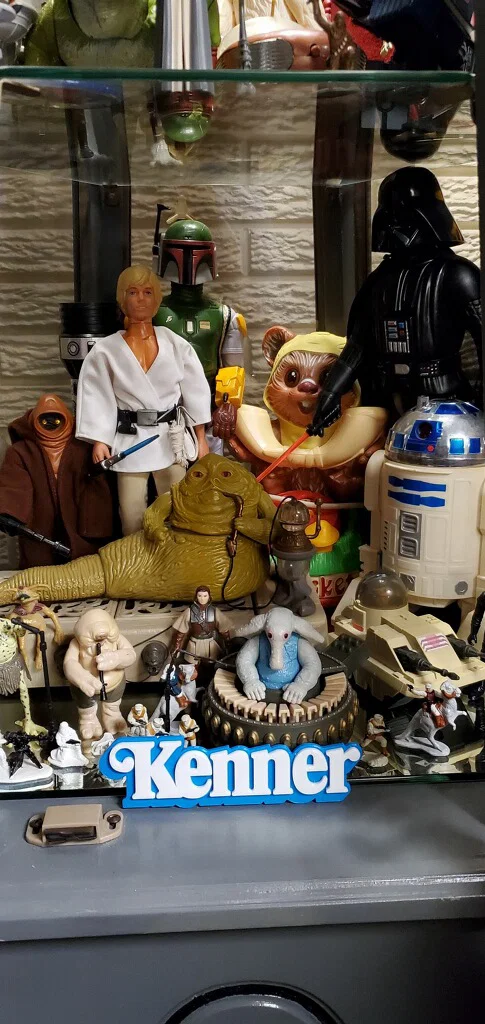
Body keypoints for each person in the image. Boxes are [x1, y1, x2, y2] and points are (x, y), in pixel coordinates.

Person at [75, 265, 212, 535]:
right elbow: (97, 394)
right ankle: (135, 557)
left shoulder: (175, 344)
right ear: (122, 299)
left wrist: (201, 436)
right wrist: (100, 439)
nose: (140, 299)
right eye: (133, 292)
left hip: (170, 437)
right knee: (131, 512)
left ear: (157, 299)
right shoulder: (106, 350)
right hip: (130, 437)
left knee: (177, 507)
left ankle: (175, 555)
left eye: (148, 292)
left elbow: (195, 389)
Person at [0, 393, 114, 567]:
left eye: (56, 418)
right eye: (45, 419)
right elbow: (14, 484)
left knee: (87, 565)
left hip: (81, 518)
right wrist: (10, 513)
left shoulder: (84, 448)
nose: (51, 423)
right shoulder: (21, 451)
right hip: (40, 522)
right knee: (40, 564)